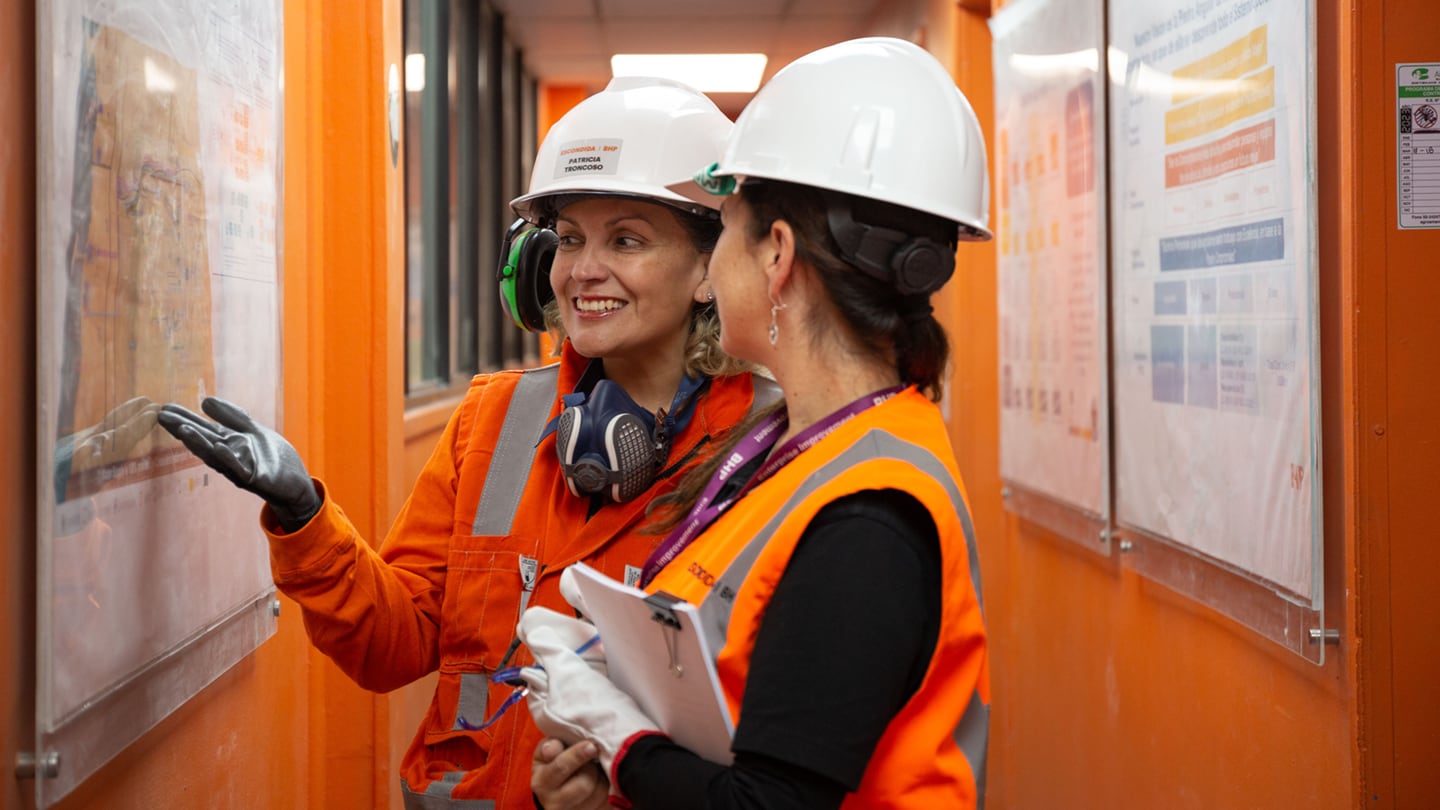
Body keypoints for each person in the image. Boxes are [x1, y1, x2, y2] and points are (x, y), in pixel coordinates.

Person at [157, 76, 777, 809]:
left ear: (709, 268)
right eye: (569, 239)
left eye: (627, 239)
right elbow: (393, 646)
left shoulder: (769, 449)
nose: (583, 270)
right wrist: (305, 518)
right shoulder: (497, 420)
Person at [519, 37, 992, 809]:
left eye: (726, 228)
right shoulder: (797, 451)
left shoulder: (868, 516)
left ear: (777, 256)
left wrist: (622, 743)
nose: (711, 269)